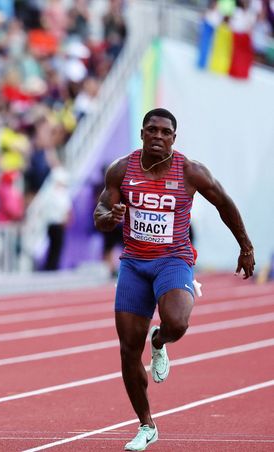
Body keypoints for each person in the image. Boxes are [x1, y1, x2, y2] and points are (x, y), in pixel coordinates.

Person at [93, 108, 255, 451]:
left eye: (165, 132)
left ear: (174, 138)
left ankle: (161, 340)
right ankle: (146, 425)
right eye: (152, 130)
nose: (158, 136)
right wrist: (113, 215)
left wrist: (245, 246)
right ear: (141, 134)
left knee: (178, 323)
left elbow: (224, 203)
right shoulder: (121, 170)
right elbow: (100, 216)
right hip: (134, 264)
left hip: (173, 260)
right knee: (127, 352)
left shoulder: (190, 171)